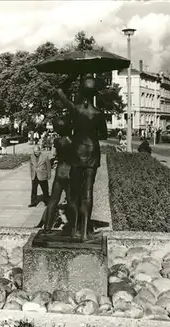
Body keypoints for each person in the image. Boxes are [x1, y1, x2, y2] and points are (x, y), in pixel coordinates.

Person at [54, 73, 108, 240]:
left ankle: (73, 229)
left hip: (76, 151)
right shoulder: (98, 113)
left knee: (74, 191)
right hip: (92, 151)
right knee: (88, 191)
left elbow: (59, 90)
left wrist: (72, 75)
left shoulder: (74, 109)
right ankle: (84, 231)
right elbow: (104, 135)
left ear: (82, 92)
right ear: (94, 94)